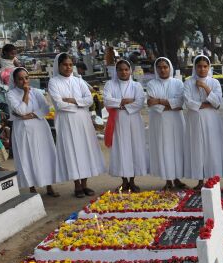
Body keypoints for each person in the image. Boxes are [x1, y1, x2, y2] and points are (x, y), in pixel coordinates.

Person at [48, 53, 105, 197]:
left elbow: (89, 101)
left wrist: (73, 100)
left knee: (84, 150)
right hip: (66, 121)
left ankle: (85, 184)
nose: (68, 67)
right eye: (65, 65)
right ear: (58, 66)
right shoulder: (54, 82)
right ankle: (77, 185)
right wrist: (79, 103)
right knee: (72, 151)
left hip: (82, 121)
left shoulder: (79, 81)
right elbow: (59, 104)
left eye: (70, 64)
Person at [7, 67, 60, 196]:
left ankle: (49, 185)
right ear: (14, 81)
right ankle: (32, 188)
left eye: (26, 78)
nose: (24, 81)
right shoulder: (11, 94)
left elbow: (46, 109)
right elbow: (20, 111)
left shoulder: (36, 92)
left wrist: (31, 115)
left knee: (44, 155)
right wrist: (25, 93)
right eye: (20, 79)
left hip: (40, 127)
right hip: (22, 130)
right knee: (27, 157)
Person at [103, 59, 148, 192]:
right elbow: (107, 101)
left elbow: (140, 103)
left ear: (130, 71)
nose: (123, 72)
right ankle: (124, 181)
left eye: (126, 69)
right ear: (116, 71)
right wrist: (124, 101)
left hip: (134, 119)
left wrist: (119, 103)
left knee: (134, 148)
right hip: (118, 120)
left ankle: (132, 181)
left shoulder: (136, 86)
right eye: (120, 69)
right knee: (121, 148)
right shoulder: (110, 84)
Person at [183, 55, 223, 189]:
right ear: (195, 67)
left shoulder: (214, 83)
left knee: (211, 148)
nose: (202, 69)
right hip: (194, 120)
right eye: (199, 66)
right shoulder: (188, 82)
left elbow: (218, 103)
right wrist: (204, 104)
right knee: (197, 148)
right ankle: (200, 180)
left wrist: (205, 87)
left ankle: (212, 179)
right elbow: (188, 102)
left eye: (205, 66)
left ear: (209, 68)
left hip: (211, 120)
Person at [147, 57, 186, 190]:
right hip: (160, 123)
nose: (163, 70)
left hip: (176, 122)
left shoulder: (178, 83)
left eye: (165, 67)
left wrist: (159, 101)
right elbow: (152, 105)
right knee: (164, 149)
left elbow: (181, 103)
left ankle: (177, 178)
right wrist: (170, 104)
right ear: (156, 69)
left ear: (170, 68)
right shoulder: (152, 83)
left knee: (177, 149)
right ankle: (168, 180)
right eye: (160, 67)